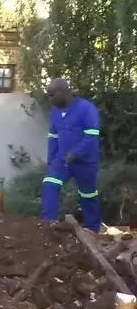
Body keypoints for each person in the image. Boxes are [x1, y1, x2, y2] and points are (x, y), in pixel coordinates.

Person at [41, 78, 102, 232]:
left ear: (62, 92)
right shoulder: (54, 112)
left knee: (87, 194)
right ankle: (48, 223)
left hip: (85, 161)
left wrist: (75, 153)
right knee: (49, 184)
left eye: (51, 95)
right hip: (62, 160)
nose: (50, 99)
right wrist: (51, 159)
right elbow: (53, 136)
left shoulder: (86, 108)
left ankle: (93, 227)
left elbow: (92, 136)